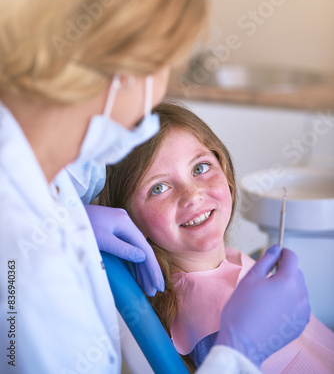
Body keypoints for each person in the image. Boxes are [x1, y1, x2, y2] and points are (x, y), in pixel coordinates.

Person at [0, 0, 309, 374]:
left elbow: (76, 174)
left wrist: (75, 218)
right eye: (167, 61)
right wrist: (237, 354)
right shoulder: (26, 276)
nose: (157, 97)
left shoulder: (38, 163)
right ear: (125, 59)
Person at [100, 101, 334, 373]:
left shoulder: (223, 266)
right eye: (159, 188)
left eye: (200, 168)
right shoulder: (211, 320)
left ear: (225, 170)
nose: (192, 195)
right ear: (129, 219)